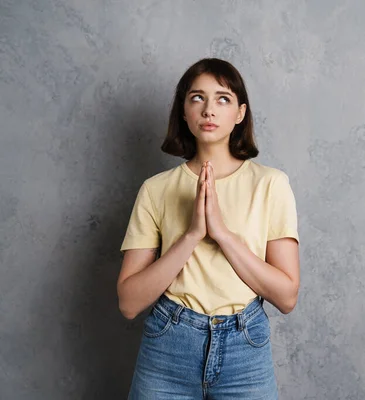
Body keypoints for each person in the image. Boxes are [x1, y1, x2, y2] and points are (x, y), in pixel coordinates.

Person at [116, 58, 300, 399]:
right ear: (183, 112)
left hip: (245, 349)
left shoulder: (270, 185)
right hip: (168, 346)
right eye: (197, 98)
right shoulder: (155, 190)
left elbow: (286, 296)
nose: (209, 110)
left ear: (240, 113)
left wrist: (223, 235)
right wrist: (191, 235)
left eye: (223, 99)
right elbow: (129, 302)